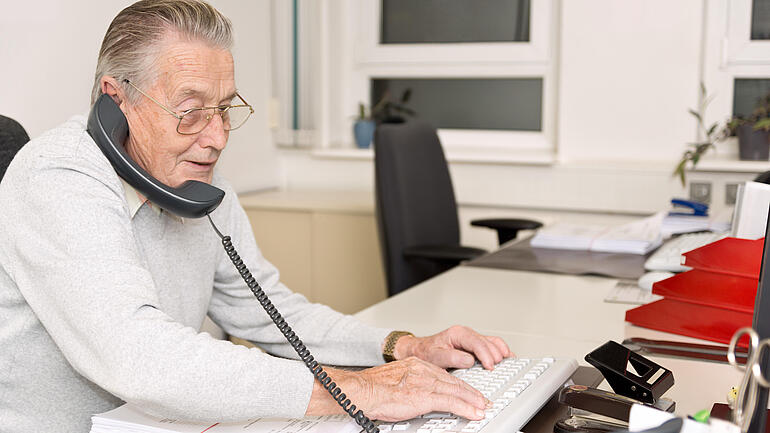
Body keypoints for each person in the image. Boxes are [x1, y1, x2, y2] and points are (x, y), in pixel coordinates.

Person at [0, 1, 513, 432]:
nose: (217, 136)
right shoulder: (57, 176)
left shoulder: (199, 185)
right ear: (117, 101)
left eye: (224, 108)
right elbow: (134, 355)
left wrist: (400, 346)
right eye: (191, 110)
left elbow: (271, 312)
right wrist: (353, 390)